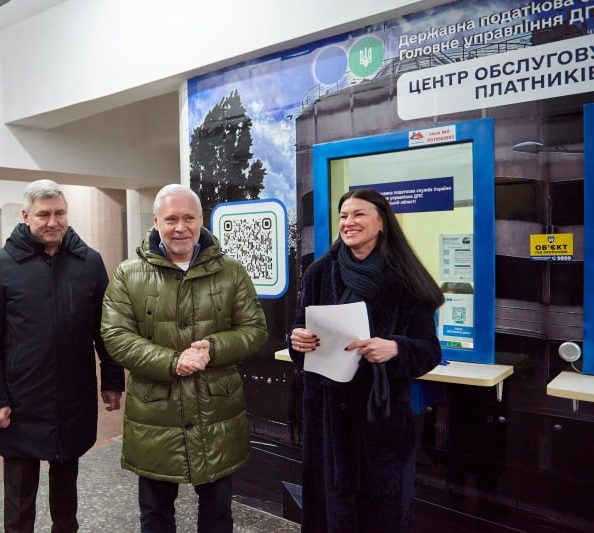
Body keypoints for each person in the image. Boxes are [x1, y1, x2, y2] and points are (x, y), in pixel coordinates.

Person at [101, 184, 268, 533]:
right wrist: (171, 361)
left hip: (216, 414)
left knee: (218, 512)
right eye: (172, 219)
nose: (181, 227)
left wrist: (213, 346)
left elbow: (255, 330)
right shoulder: (128, 274)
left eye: (188, 218)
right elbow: (116, 336)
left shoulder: (231, 272)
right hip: (155, 415)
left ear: (201, 220)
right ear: (156, 221)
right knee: (156, 514)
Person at [0, 179, 125, 533]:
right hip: (20, 397)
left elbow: (106, 329)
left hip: (73, 394)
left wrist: (112, 380)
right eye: (43, 214)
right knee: (20, 495)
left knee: (66, 487)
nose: (52, 221)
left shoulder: (88, 262)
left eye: (59, 213)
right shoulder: (0, 265)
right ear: (26, 215)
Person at [288, 188, 444, 532]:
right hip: (326, 418)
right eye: (344, 216)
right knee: (328, 512)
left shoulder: (405, 279)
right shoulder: (319, 272)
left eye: (359, 214)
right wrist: (296, 339)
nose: (349, 222)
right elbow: (300, 328)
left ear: (381, 222)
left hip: (380, 423)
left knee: (381, 515)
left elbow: (430, 350)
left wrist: (397, 349)